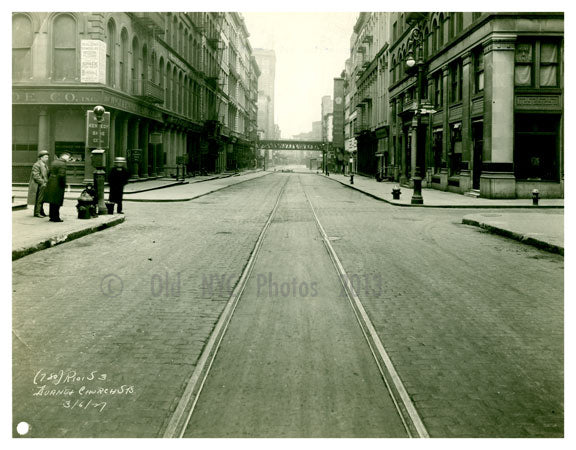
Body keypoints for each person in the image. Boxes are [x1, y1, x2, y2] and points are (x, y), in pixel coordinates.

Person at [43, 152, 70, 222]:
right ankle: (56, 217)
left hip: (51, 183)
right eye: (69, 158)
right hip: (58, 184)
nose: (68, 160)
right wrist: (63, 184)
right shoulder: (63, 164)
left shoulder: (54, 162)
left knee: (52, 201)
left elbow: (48, 172)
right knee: (57, 201)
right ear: (66, 157)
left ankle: (51, 216)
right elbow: (62, 175)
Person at [27, 150, 49, 217]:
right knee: (39, 199)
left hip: (43, 184)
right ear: (41, 157)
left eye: (47, 157)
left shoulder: (44, 165)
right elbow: (36, 176)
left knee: (42, 199)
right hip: (39, 185)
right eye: (45, 157)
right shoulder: (36, 165)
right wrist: (43, 182)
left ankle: (41, 212)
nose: (47, 159)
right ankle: (37, 213)